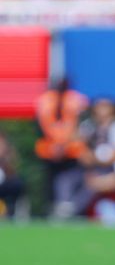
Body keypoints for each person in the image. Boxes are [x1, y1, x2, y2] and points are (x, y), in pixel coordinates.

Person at [34, 78, 89, 217]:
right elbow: (41, 125)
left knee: (74, 179)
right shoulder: (45, 100)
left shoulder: (76, 99)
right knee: (49, 181)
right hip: (49, 151)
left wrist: (64, 144)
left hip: (71, 151)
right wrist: (55, 145)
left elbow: (81, 125)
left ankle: (72, 209)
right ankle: (49, 208)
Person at [0, 131, 25, 219]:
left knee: (16, 184)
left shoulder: (9, 155)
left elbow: (13, 171)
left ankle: (11, 211)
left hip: (6, 185)